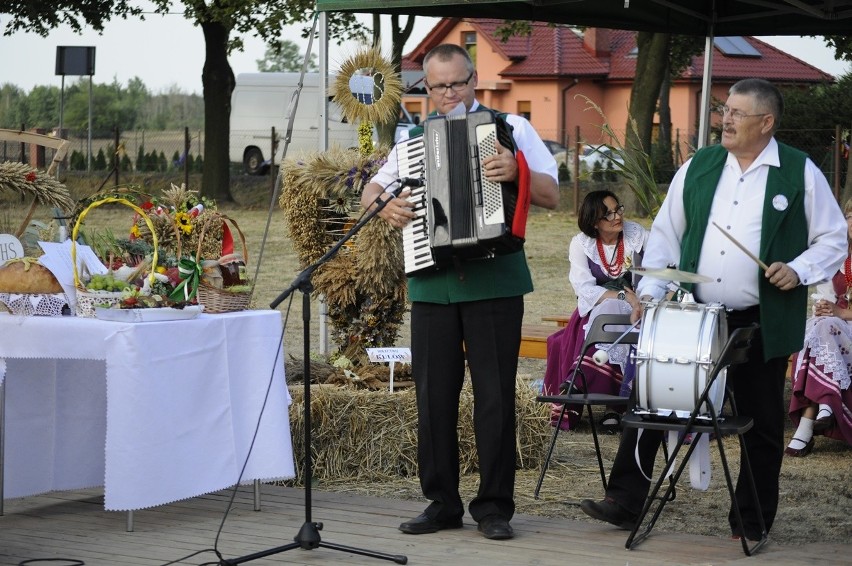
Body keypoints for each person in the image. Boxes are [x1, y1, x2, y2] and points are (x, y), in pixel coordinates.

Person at [580, 78, 847, 541]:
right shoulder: (700, 165)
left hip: (758, 319)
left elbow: (833, 238)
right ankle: (623, 501)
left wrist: (799, 269)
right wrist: (651, 290)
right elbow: (666, 233)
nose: (725, 120)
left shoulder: (798, 171)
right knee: (657, 397)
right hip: (693, 312)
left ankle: (751, 522)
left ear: (766, 122)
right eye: (725, 110)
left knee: (761, 423)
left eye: (738, 113)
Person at [360, 44, 559, 540]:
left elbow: (554, 193)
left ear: (474, 80)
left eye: (458, 83)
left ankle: (493, 508)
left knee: (493, 397)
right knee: (433, 397)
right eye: (438, 85)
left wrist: (518, 172)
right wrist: (384, 205)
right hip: (432, 282)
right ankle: (441, 503)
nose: (449, 93)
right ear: (425, 89)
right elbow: (371, 191)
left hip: (495, 279)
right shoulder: (410, 139)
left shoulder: (512, 128)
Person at [543, 190, 647, 432]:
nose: (617, 216)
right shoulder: (581, 244)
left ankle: (583, 384)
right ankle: (612, 408)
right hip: (597, 307)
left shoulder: (638, 236)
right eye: (608, 214)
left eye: (617, 209)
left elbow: (655, 274)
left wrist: (637, 300)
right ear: (594, 222)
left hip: (638, 307)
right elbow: (584, 288)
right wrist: (622, 296)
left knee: (621, 321)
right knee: (607, 314)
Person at [785, 199, 852, 456]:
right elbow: (825, 300)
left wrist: (839, 313)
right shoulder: (837, 257)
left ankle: (806, 424)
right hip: (836, 331)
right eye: (849, 216)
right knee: (817, 327)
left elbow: (839, 311)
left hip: (845, 327)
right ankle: (824, 404)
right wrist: (824, 308)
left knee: (823, 330)